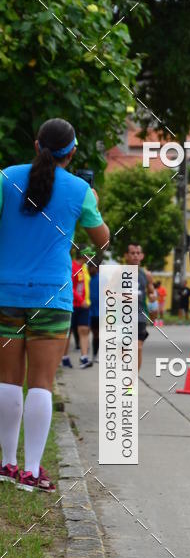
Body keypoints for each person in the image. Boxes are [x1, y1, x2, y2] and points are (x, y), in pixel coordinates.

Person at [0, 118, 109, 491]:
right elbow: (102, 239)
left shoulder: (6, 178)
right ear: (72, 152)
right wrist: (91, 204)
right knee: (41, 383)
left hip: (6, 292)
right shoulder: (80, 190)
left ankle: (6, 464)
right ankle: (31, 472)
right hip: (51, 295)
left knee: (7, 379)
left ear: (36, 145)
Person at [123, 242, 155, 370]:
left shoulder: (146, 275)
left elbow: (151, 292)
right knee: (125, 350)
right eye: (132, 253)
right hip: (123, 316)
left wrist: (152, 297)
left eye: (138, 253)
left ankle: (132, 380)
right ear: (126, 255)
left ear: (142, 256)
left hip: (140, 315)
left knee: (138, 347)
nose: (135, 256)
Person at [67, 246, 94, 368]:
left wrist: (86, 300)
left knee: (84, 329)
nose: (91, 257)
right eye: (89, 254)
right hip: (73, 304)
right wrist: (80, 299)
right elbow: (69, 286)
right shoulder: (72, 266)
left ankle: (84, 358)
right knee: (69, 332)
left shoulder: (84, 267)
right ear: (83, 255)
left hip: (84, 306)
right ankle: (64, 357)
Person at [88, 258, 100, 362]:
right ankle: (87, 354)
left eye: (92, 267)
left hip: (100, 312)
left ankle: (96, 354)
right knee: (87, 332)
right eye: (89, 267)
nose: (90, 269)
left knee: (97, 334)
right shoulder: (87, 278)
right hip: (89, 311)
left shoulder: (102, 279)